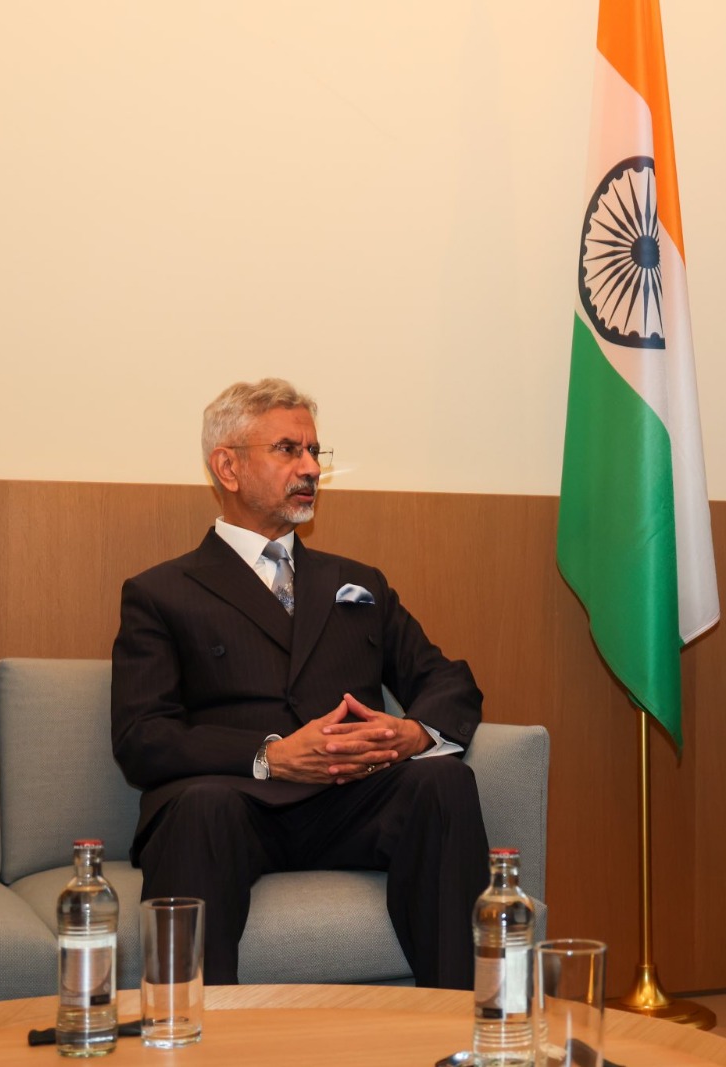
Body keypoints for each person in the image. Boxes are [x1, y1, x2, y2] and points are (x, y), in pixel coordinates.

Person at [111, 378, 488, 988]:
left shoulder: (359, 583)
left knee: (443, 781)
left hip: (351, 801)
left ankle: (462, 1020)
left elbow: (445, 678)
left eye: (314, 451)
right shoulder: (161, 593)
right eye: (288, 450)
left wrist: (414, 734)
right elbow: (142, 737)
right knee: (199, 808)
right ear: (228, 468)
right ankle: (190, 1029)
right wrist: (271, 756)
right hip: (235, 802)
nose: (310, 467)